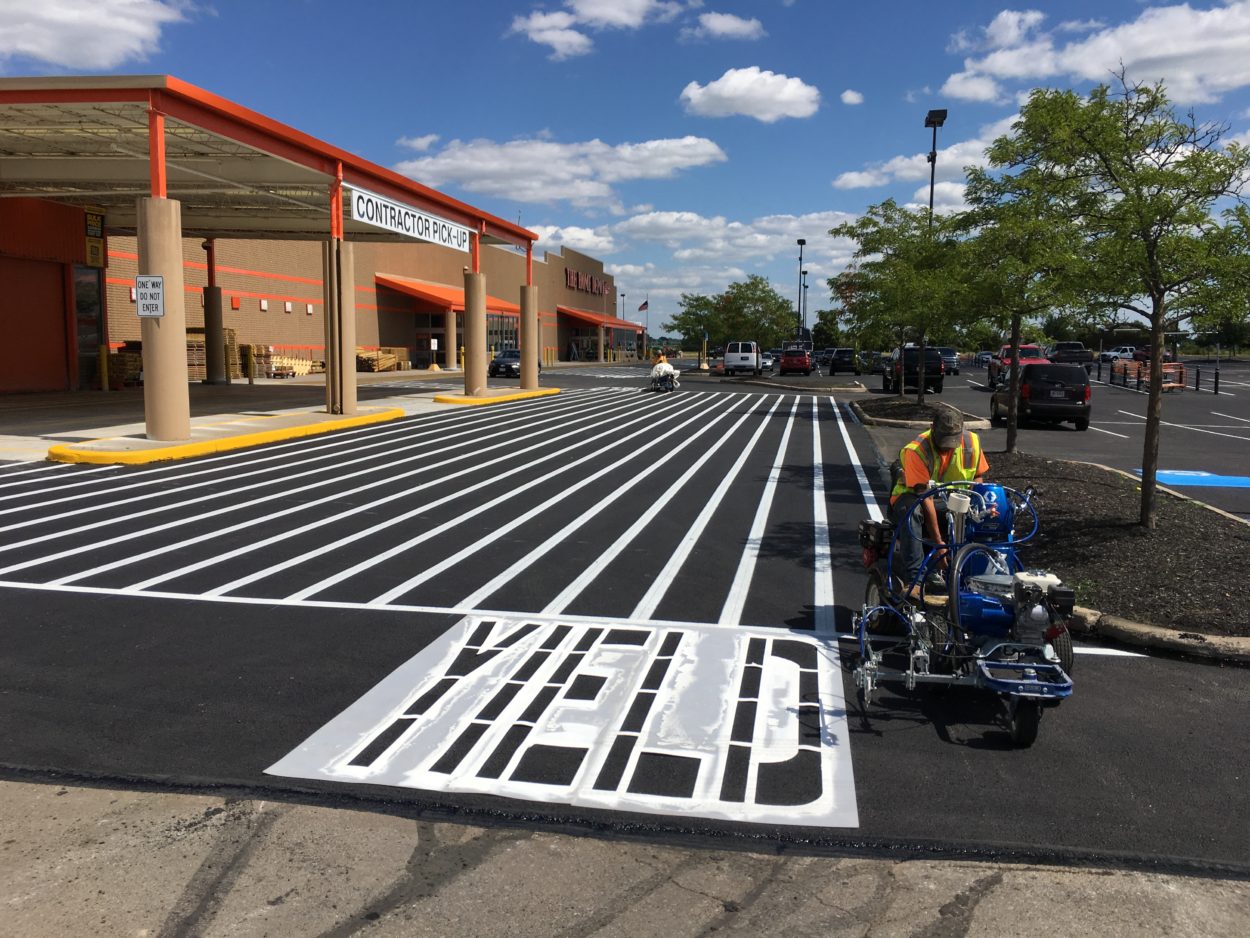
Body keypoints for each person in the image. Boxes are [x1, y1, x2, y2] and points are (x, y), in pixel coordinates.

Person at [889, 404, 988, 595]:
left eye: (953, 440)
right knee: (912, 513)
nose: (948, 446)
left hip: (952, 500)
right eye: (944, 440)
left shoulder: (972, 442)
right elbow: (925, 498)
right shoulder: (916, 450)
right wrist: (940, 545)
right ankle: (916, 578)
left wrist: (978, 502)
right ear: (932, 428)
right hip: (915, 499)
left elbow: (978, 476)